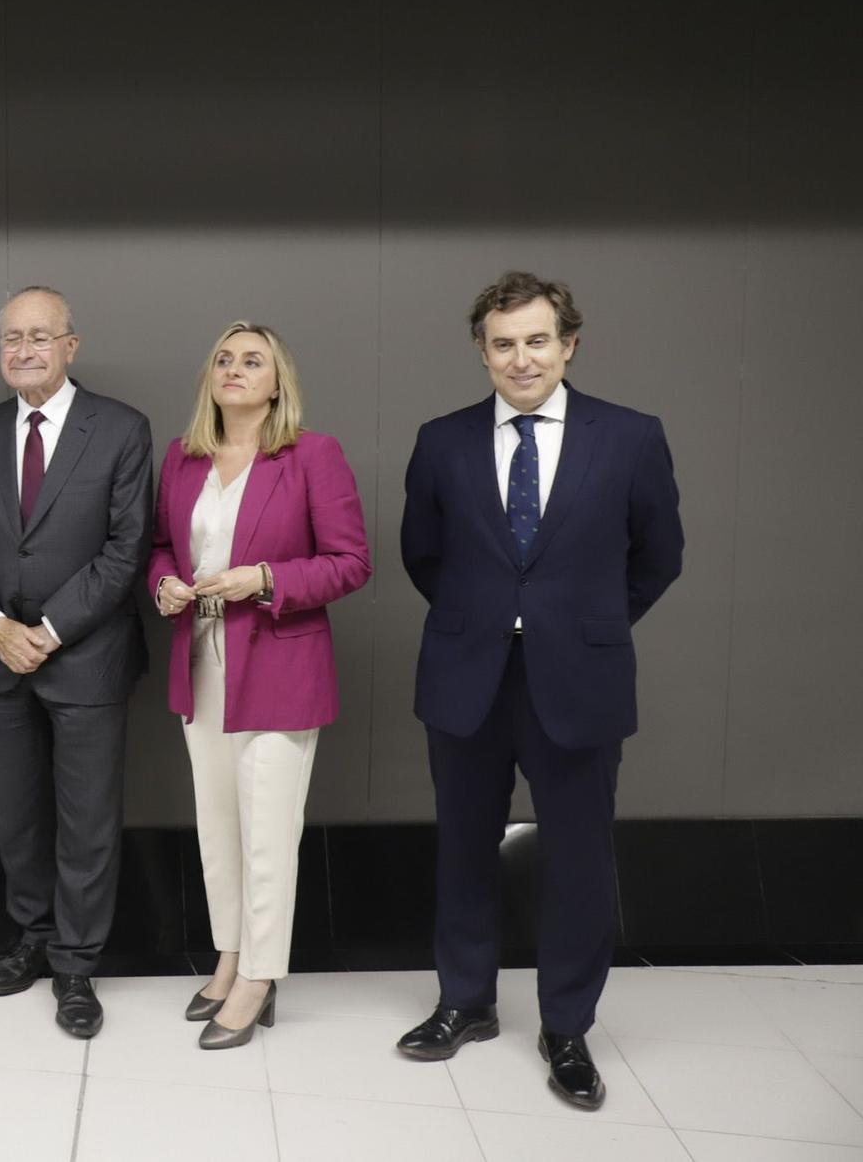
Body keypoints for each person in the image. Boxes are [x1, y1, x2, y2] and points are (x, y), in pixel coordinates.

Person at [395, 272, 683, 1109]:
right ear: (482, 350)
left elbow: (658, 555)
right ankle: (464, 1002)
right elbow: (425, 555)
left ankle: (567, 1024)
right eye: (503, 343)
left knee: (579, 857)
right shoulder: (441, 439)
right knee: (462, 843)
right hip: (466, 673)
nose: (520, 358)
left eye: (536, 340)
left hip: (579, 676)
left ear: (569, 342)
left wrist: (578, 621)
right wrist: (489, 619)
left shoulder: (630, 437)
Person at [147, 322, 370, 1049]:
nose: (235, 369)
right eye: (223, 358)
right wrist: (165, 586)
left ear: (278, 383)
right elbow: (158, 548)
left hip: (279, 662)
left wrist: (266, 578)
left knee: (269, 833)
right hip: (201, 660)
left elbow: (350, 561)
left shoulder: (313, 454)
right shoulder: (183, 458)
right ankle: (231, 953)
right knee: (219, 827)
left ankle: (260, 978)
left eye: (253, 361)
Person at [0, 286, 152, 1039]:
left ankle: (76, 963)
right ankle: (30, 936)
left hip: (86, 655)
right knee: (19, 814)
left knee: (87, 820)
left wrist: (50, 628)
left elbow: (127, 549)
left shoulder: (122, 428)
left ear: (71, 344)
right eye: (11, 338)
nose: (23, 349)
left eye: (39, 336)